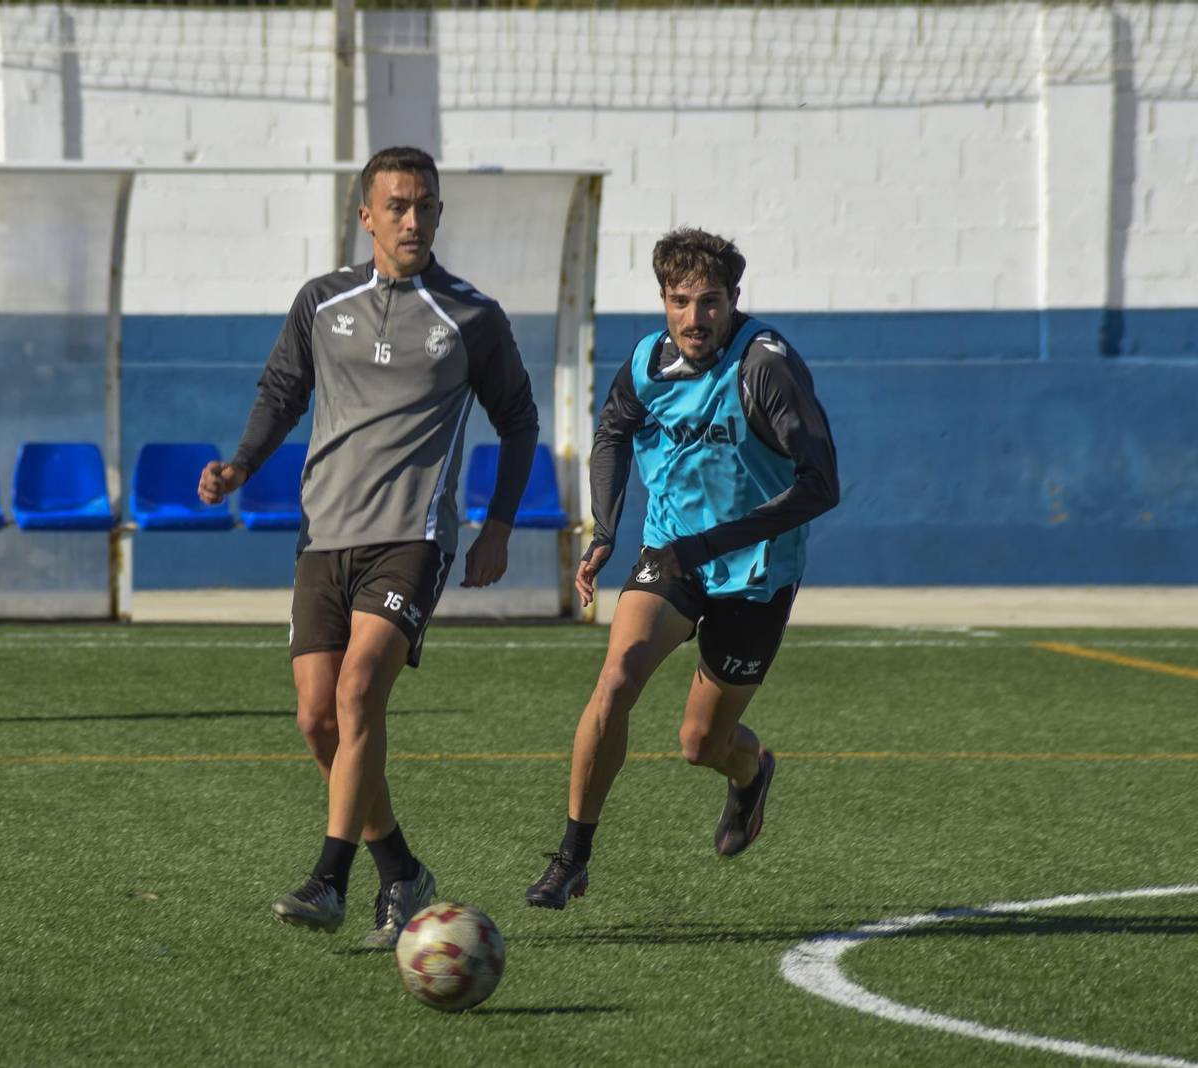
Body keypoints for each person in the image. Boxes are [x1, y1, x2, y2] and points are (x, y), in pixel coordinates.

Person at [197, 147, 540, 944]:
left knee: (358, 693)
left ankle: (329, 879)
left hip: (412, 537)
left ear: (440, 213)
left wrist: (496, 526)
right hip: (325, 536)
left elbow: (518, 421)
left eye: (425, 205)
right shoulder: (322, 301)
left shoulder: (473, 315)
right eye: (397, 206)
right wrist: (243, 464)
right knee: (318, 721)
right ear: (366, 215)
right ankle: (403, 872)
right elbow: (282, 390)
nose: (412, 219)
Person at [524, 227, 839, 909]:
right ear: (663, 300)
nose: (695, 319)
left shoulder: (765, 369)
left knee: (700, 743)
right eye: (680, 301)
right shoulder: (647, 363)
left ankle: (751, 773)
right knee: (617, 676)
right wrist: (605, 531)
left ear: (734, 301)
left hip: (755, 575)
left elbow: (821, 485)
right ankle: (572, 858)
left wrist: (706, 546)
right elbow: (611, 431)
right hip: (670, 555)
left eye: (710, 302)